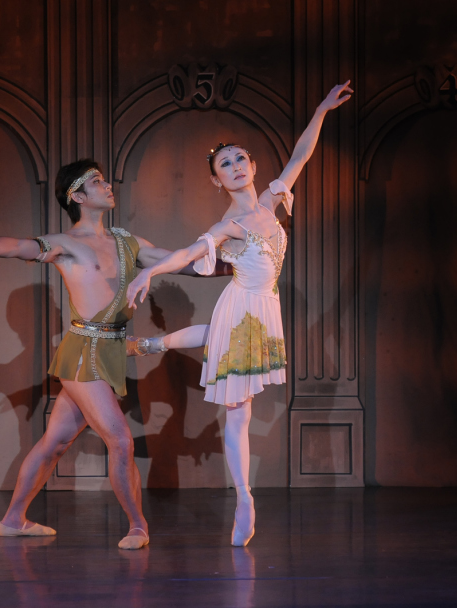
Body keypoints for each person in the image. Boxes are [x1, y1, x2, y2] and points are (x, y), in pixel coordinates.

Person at [0, 159, 219, 549]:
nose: (107, 184)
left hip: (110, 350)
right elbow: (18, 246)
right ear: (78, 196)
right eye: (96, 181)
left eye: (104, 179)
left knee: (55, 442)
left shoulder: (128, 242)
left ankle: (14, 519)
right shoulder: (66, 245)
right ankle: (138, 526)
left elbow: (186, 263)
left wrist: (242, 266)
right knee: (121, 440)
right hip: (84, 352)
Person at [125, 81, 354, 547]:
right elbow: (188, 254)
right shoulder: (227, 226)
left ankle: (153, 344)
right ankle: (244, 498)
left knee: (224, 360)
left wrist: (321, 110)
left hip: (266, 307)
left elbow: (301, 155)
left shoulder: (271, 200)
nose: (235, 166)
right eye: (224, 165)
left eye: (240, 159)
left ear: (253, 165)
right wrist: (147, 273)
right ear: (216, 180)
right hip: (242, 301)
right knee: (238, 411)